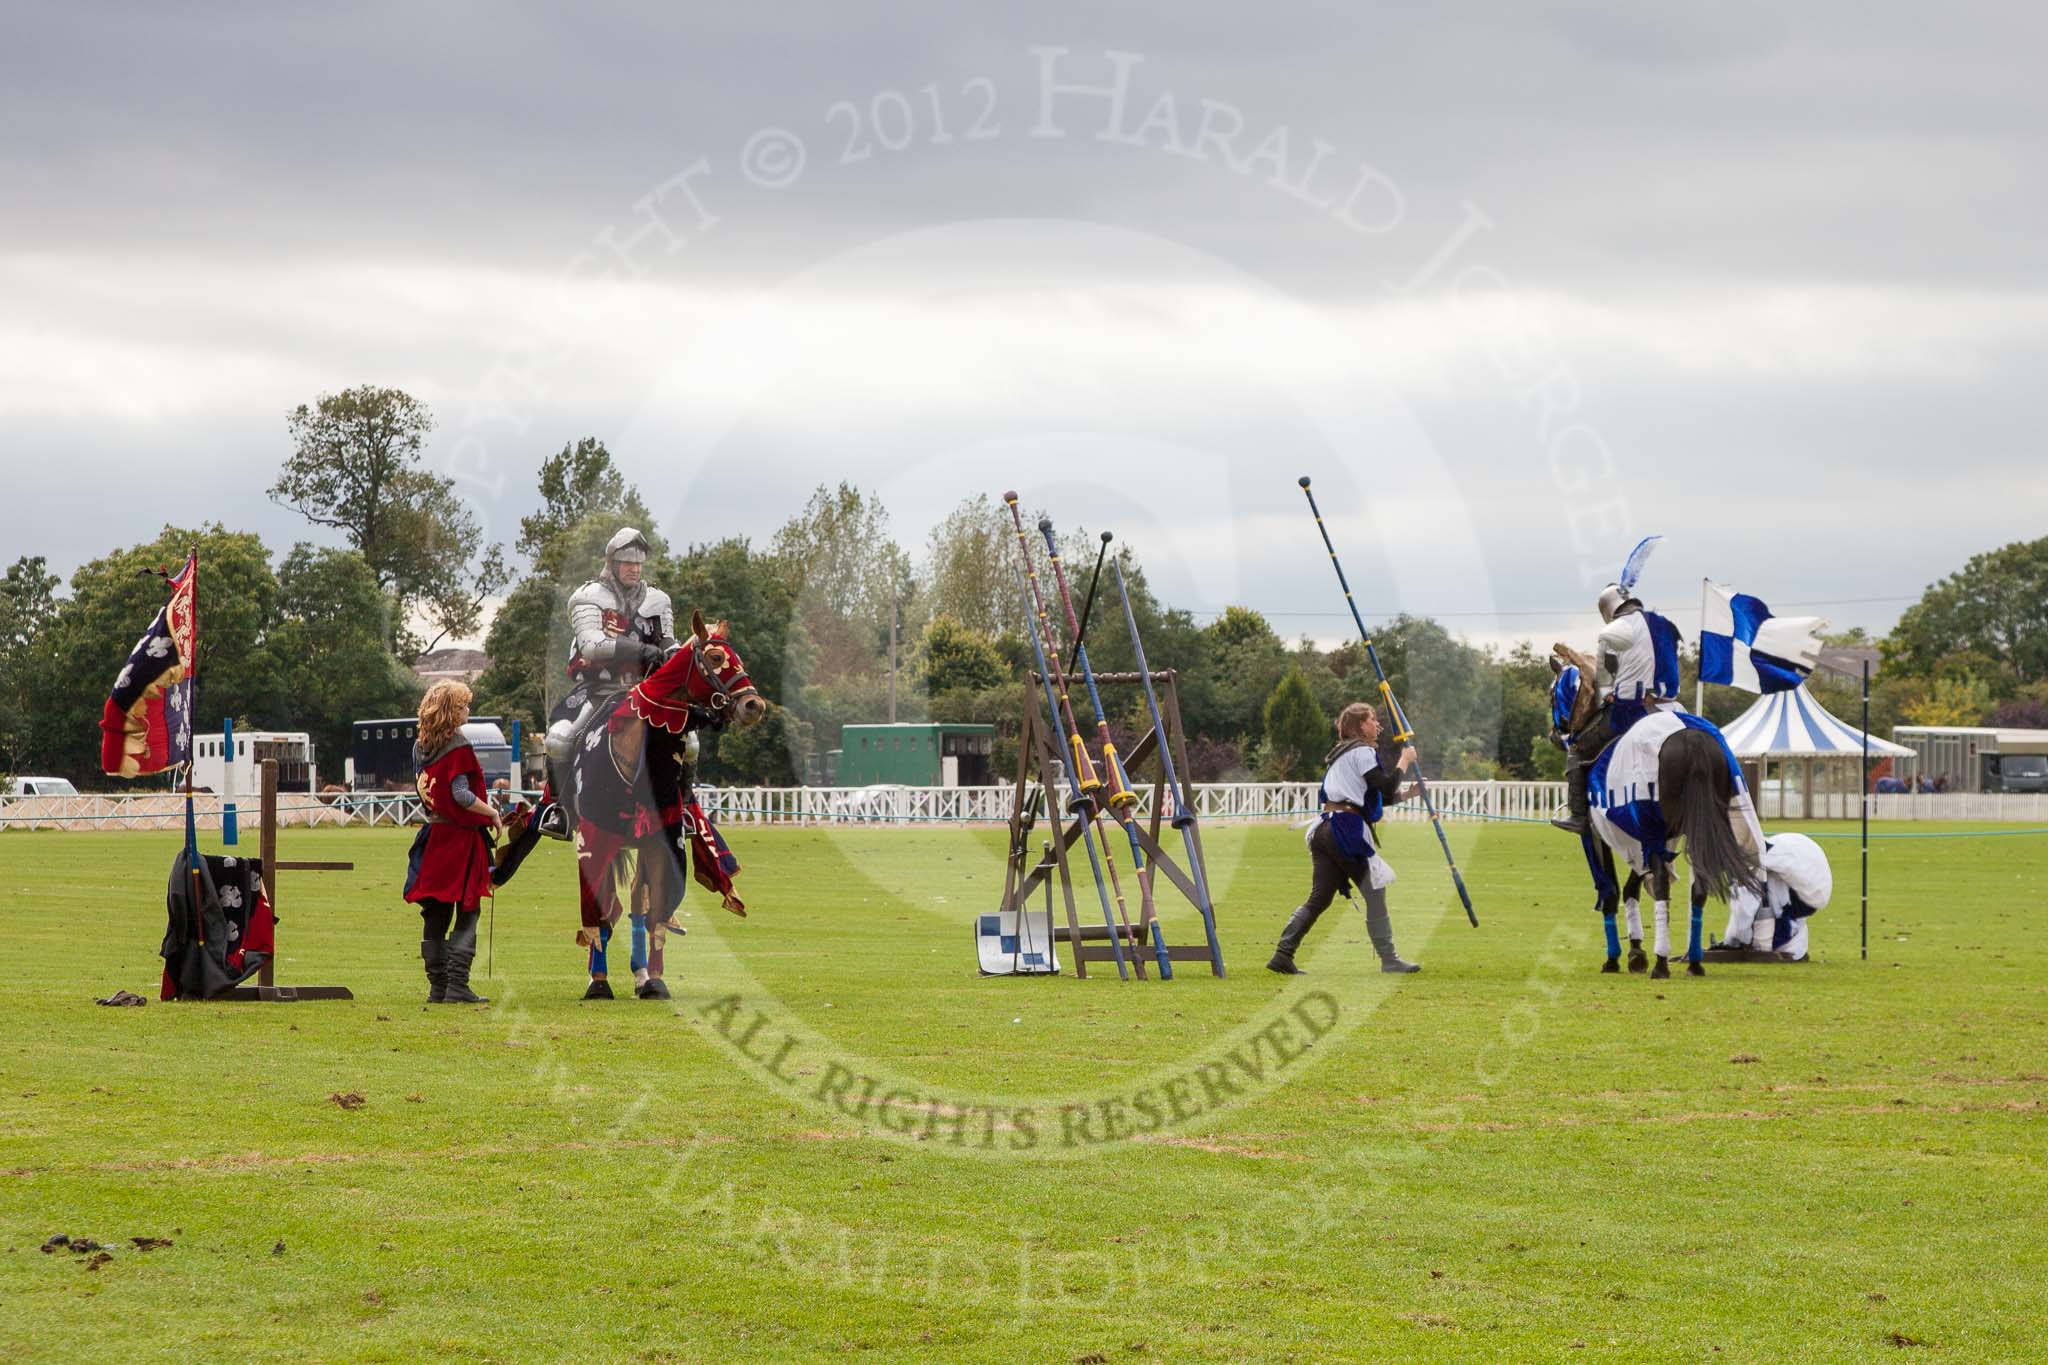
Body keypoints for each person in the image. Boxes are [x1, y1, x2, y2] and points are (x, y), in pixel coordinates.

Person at [1268, 701, 1421, 976]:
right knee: (1375, 892)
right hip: (1344, 830)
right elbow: (1383, 785)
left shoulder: (1343, 754)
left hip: (1325, 829)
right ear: (1361, 725)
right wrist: (1404, 761)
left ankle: (1282, 954)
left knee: (1320, 897)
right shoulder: (1362, 751)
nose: (1378, 725)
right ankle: (1389, 959)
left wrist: (1407, 795)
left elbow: (1379, 796)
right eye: (1373, 719)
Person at [1552, 582, 1682, 834]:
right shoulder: (1664, 625)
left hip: (1632, 713)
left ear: (1606, 609)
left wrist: (1610, 696)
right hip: (1674, 708)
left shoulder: (1613, 631)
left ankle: (1579, 815)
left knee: (1577, 745)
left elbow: (1603, 684)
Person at [403, 679, 501, 1004]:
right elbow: (461, 796)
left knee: (436, 913)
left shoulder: (421, 746)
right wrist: (492, 813)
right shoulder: (458, 747)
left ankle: (438, 987)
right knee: (468, 911)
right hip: (459, 840)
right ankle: (457, 986)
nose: (467, 710)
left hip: (434, 835)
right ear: (449, 711)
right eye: (462, 705)